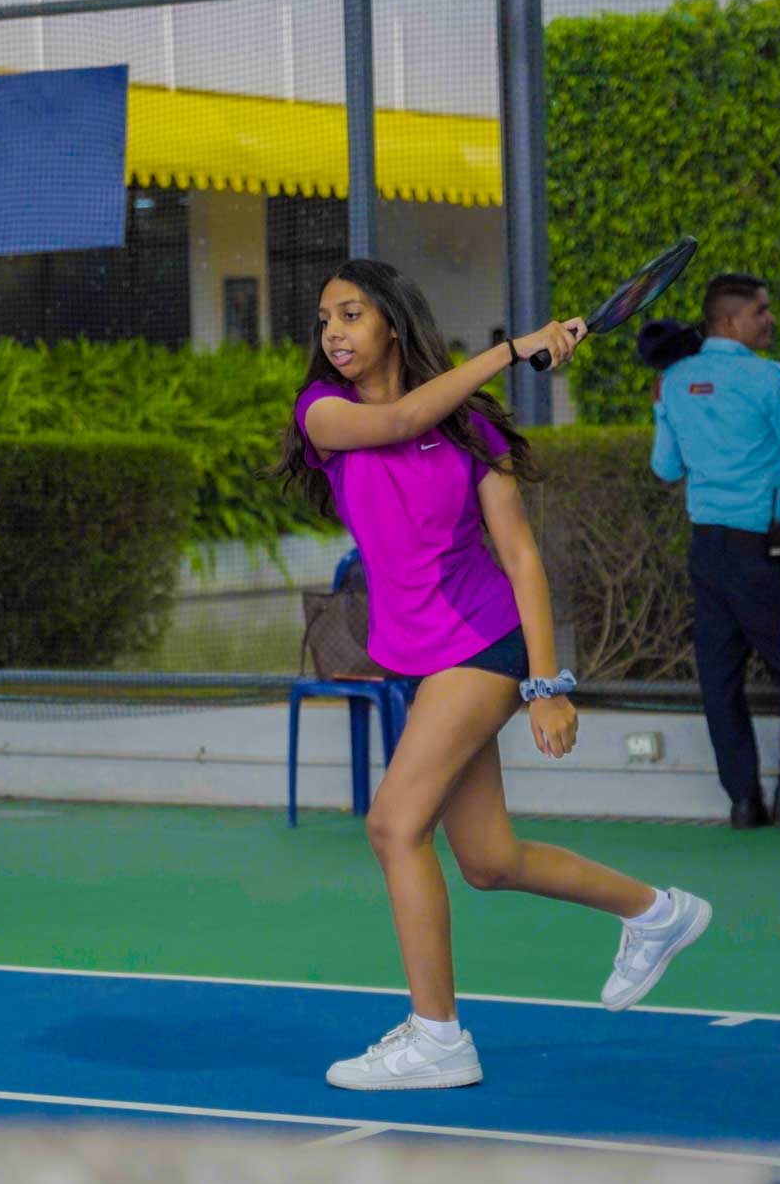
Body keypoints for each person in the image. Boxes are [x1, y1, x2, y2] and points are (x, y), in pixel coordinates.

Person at [278, 258, 712, 1093]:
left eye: (352, 314)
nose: (333, 332)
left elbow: (520, 557)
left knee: (393, 826)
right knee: (488, 859)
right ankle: (656, 912)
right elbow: (403, 416)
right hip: (424, 658)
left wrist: (547, 684)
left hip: (483, 642)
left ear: (393, 323)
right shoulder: (322, 413)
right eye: (325, 318)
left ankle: (438, 1038)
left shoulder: (473, 430)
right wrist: (515, 349)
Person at [644, 272, 780, 831]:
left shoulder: (674, 381)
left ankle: (743, 802)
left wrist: (662, 410)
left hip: (708, 551)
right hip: (764, 551)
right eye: (760, 311)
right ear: (729, 320)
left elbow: (665, 468)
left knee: (720, 677)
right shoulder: (772, 379)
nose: (770, 319)